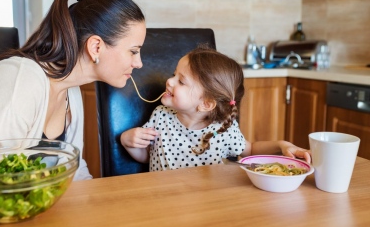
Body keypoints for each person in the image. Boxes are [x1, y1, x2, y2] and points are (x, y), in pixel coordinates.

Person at [0, 0, 146, 197]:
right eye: (133, 51)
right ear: (96, 47)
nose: (139, 63)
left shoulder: (71, 90)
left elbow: (74, 172)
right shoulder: (20, 79)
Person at [120, 46, 311, 171]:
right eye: (173, 75)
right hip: (162, 198)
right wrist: (128, 141)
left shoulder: (222, 129)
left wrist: (282, 145)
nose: (169, 81)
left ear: (206, 103)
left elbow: (250, 150)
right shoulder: (160, 115)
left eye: (181, 81)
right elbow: (148, 158)